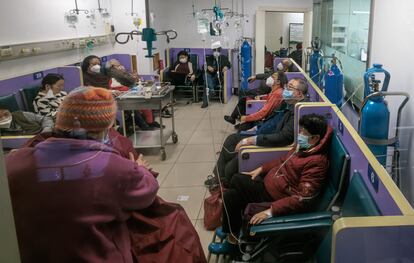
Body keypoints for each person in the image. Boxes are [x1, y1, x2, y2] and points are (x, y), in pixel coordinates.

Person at [6, 87, 159, 263]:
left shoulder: (14, 161)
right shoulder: (116, 168)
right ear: (107, 126)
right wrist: (140, 169)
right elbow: (147, 193)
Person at [208, 113, 332, 254]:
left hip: (276, 197)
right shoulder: (304, 149)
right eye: (301, 130)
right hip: (270, 186)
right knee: (231, 195)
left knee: (236, 180)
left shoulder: (317, 163)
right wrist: (261, 169)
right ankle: (231, 233)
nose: (300, 135)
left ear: (315, 138)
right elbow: (281, 161)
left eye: (304, 132)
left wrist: (271, 211)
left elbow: (302, 199)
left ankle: (231, 236)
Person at [205, 78, 309, 187]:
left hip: (270, 142)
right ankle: (219, 175)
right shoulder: (286, 103)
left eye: (290, 87)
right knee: (231, 140)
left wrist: (250, 140)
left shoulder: (298, 111)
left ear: (299, 94)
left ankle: (221, 176)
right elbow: (271, 120)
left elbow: (284, 137)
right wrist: (255, 128)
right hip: (263, 132)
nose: (286, 89)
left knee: (230, 165)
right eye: (287, 85)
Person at [224, 71, 288, 128]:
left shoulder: (277, 94)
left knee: (244, 101)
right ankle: (238, 119)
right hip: (262, 110)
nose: (270, 78)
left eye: (273, 77)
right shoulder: (275, 91)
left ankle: (240, 119)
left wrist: (246, 118)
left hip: (264, 120)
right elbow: (268, 96)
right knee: (244, 100)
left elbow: (263, 113)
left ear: (278, 82)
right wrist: (260, 98)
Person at [202, 41, 231, 108]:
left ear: (220, 51)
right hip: (210, 76)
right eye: (214, 50)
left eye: (217, 50)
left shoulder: (224, 58)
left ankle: (209, 95)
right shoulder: (209, 58)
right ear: (213, 51)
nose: (216, 52)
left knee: (206, 83)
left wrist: (226, 67)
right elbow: (203, 66)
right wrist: (208, 67)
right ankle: (212, 90)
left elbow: (229, 64)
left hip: (218, 77)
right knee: (206, 76)